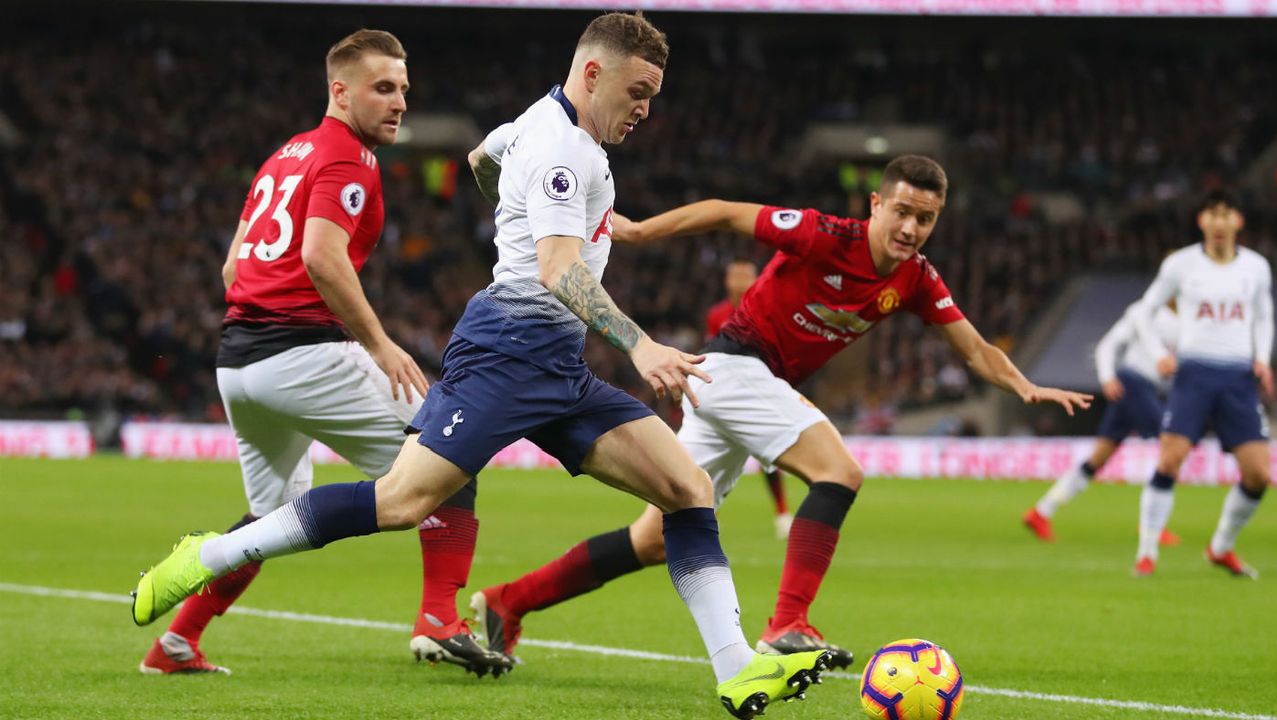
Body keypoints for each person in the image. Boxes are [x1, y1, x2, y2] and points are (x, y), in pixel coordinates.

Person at [131, 14, 831, 718]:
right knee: (403, 503)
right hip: (503, 353)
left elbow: (479, 161)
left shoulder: (538, 123)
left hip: (557, 363)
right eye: (639, 89)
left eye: (654, 92)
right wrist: (639, 344)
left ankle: (738, 669)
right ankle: (209, 556)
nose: (647, 107)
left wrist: (521, 216)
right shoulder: (565, 151)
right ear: (594, 74)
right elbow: (558, 267)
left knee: (687, 487)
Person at [470, 155, 1092, 672]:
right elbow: (725, 213)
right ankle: (788, 623)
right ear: (876, 204)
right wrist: (636, 233)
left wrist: (1024, 386)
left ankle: (508, 601)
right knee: (839, 472)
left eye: (925, 219)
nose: (910, 228)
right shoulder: (826, 234)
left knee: (654, 539)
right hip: (735, 367)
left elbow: (975, 347)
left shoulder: (917, 279)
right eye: (901, 212)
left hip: (729, 385)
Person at [134, 29, 510, 679]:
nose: (398, 103)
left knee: (268, 517)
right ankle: (438, 618)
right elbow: (319, 256)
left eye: (403, 90)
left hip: (239, 364)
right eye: (383, 89)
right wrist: (380, 344)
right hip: (303, 353)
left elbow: (232, 270)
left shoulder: (284, 155)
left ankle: (176, 643)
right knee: (450, 456)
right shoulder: (347, 159)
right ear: (341, 91)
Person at [1129, 189, 1273, 578]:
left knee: (1259, 474)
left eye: (1227, 214)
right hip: (1194, 374)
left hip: (1239, 376)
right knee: (1170, 459)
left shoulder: (1256, 268)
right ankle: (1147, 553)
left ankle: (1221, 547)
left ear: (1238, 221)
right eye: (1213, 214)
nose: (1220, 221)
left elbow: (1263, 315)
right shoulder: (1181, 264)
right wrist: (1158, 350)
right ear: (1202, 221)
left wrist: (1262, 357)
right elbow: (1145, 311)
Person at [1023, 300, 1182, 543]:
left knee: (1099, 457)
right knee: (1173, 447)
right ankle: (1153, 525)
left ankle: (1041, 512)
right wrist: (1107, 377)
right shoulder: (1146, 311)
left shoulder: (1185, 319)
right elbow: (1108, 345)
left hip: (1143, 387)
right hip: (1134, 383)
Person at [707, 259, 792, 539]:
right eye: (736, 275)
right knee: (713, 460)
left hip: (757, 394)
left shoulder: (766, 311)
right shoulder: (717, 315)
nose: (741, 281)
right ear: (727, 281)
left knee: (768, 460)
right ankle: (708, 517)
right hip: (723, 395)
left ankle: (782, 513)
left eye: (746, 276)